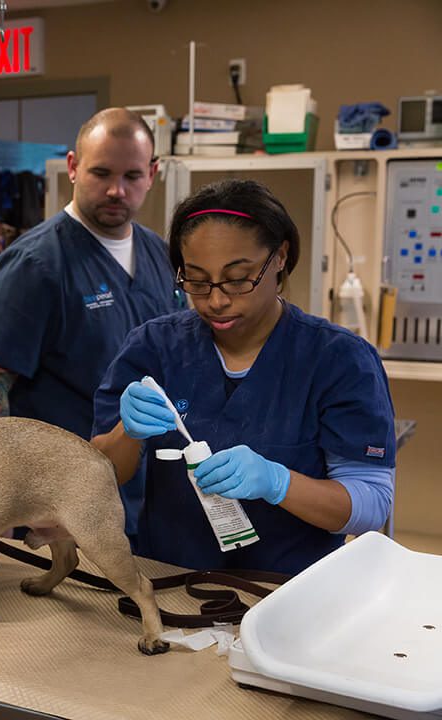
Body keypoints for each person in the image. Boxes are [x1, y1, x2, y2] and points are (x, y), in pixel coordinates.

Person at [91, 179, 396, 574]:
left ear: (280, 257)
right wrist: (127, 433)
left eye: (238, 279)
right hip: (169, 582)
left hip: (287, 591)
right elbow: (102, 474)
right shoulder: (154, 348)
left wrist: (278, 482)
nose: (216, 301)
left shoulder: (339, 360)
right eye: (197, 281)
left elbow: (371, 506)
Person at [0, 107, 181, 537]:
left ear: (153, 173)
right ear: (72, 166)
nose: (116, 190)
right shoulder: (35, 265)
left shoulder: (162, 256)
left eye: (132, 176)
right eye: (101, 173)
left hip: (148, 497)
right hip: (58, 508)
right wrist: (1, 512)